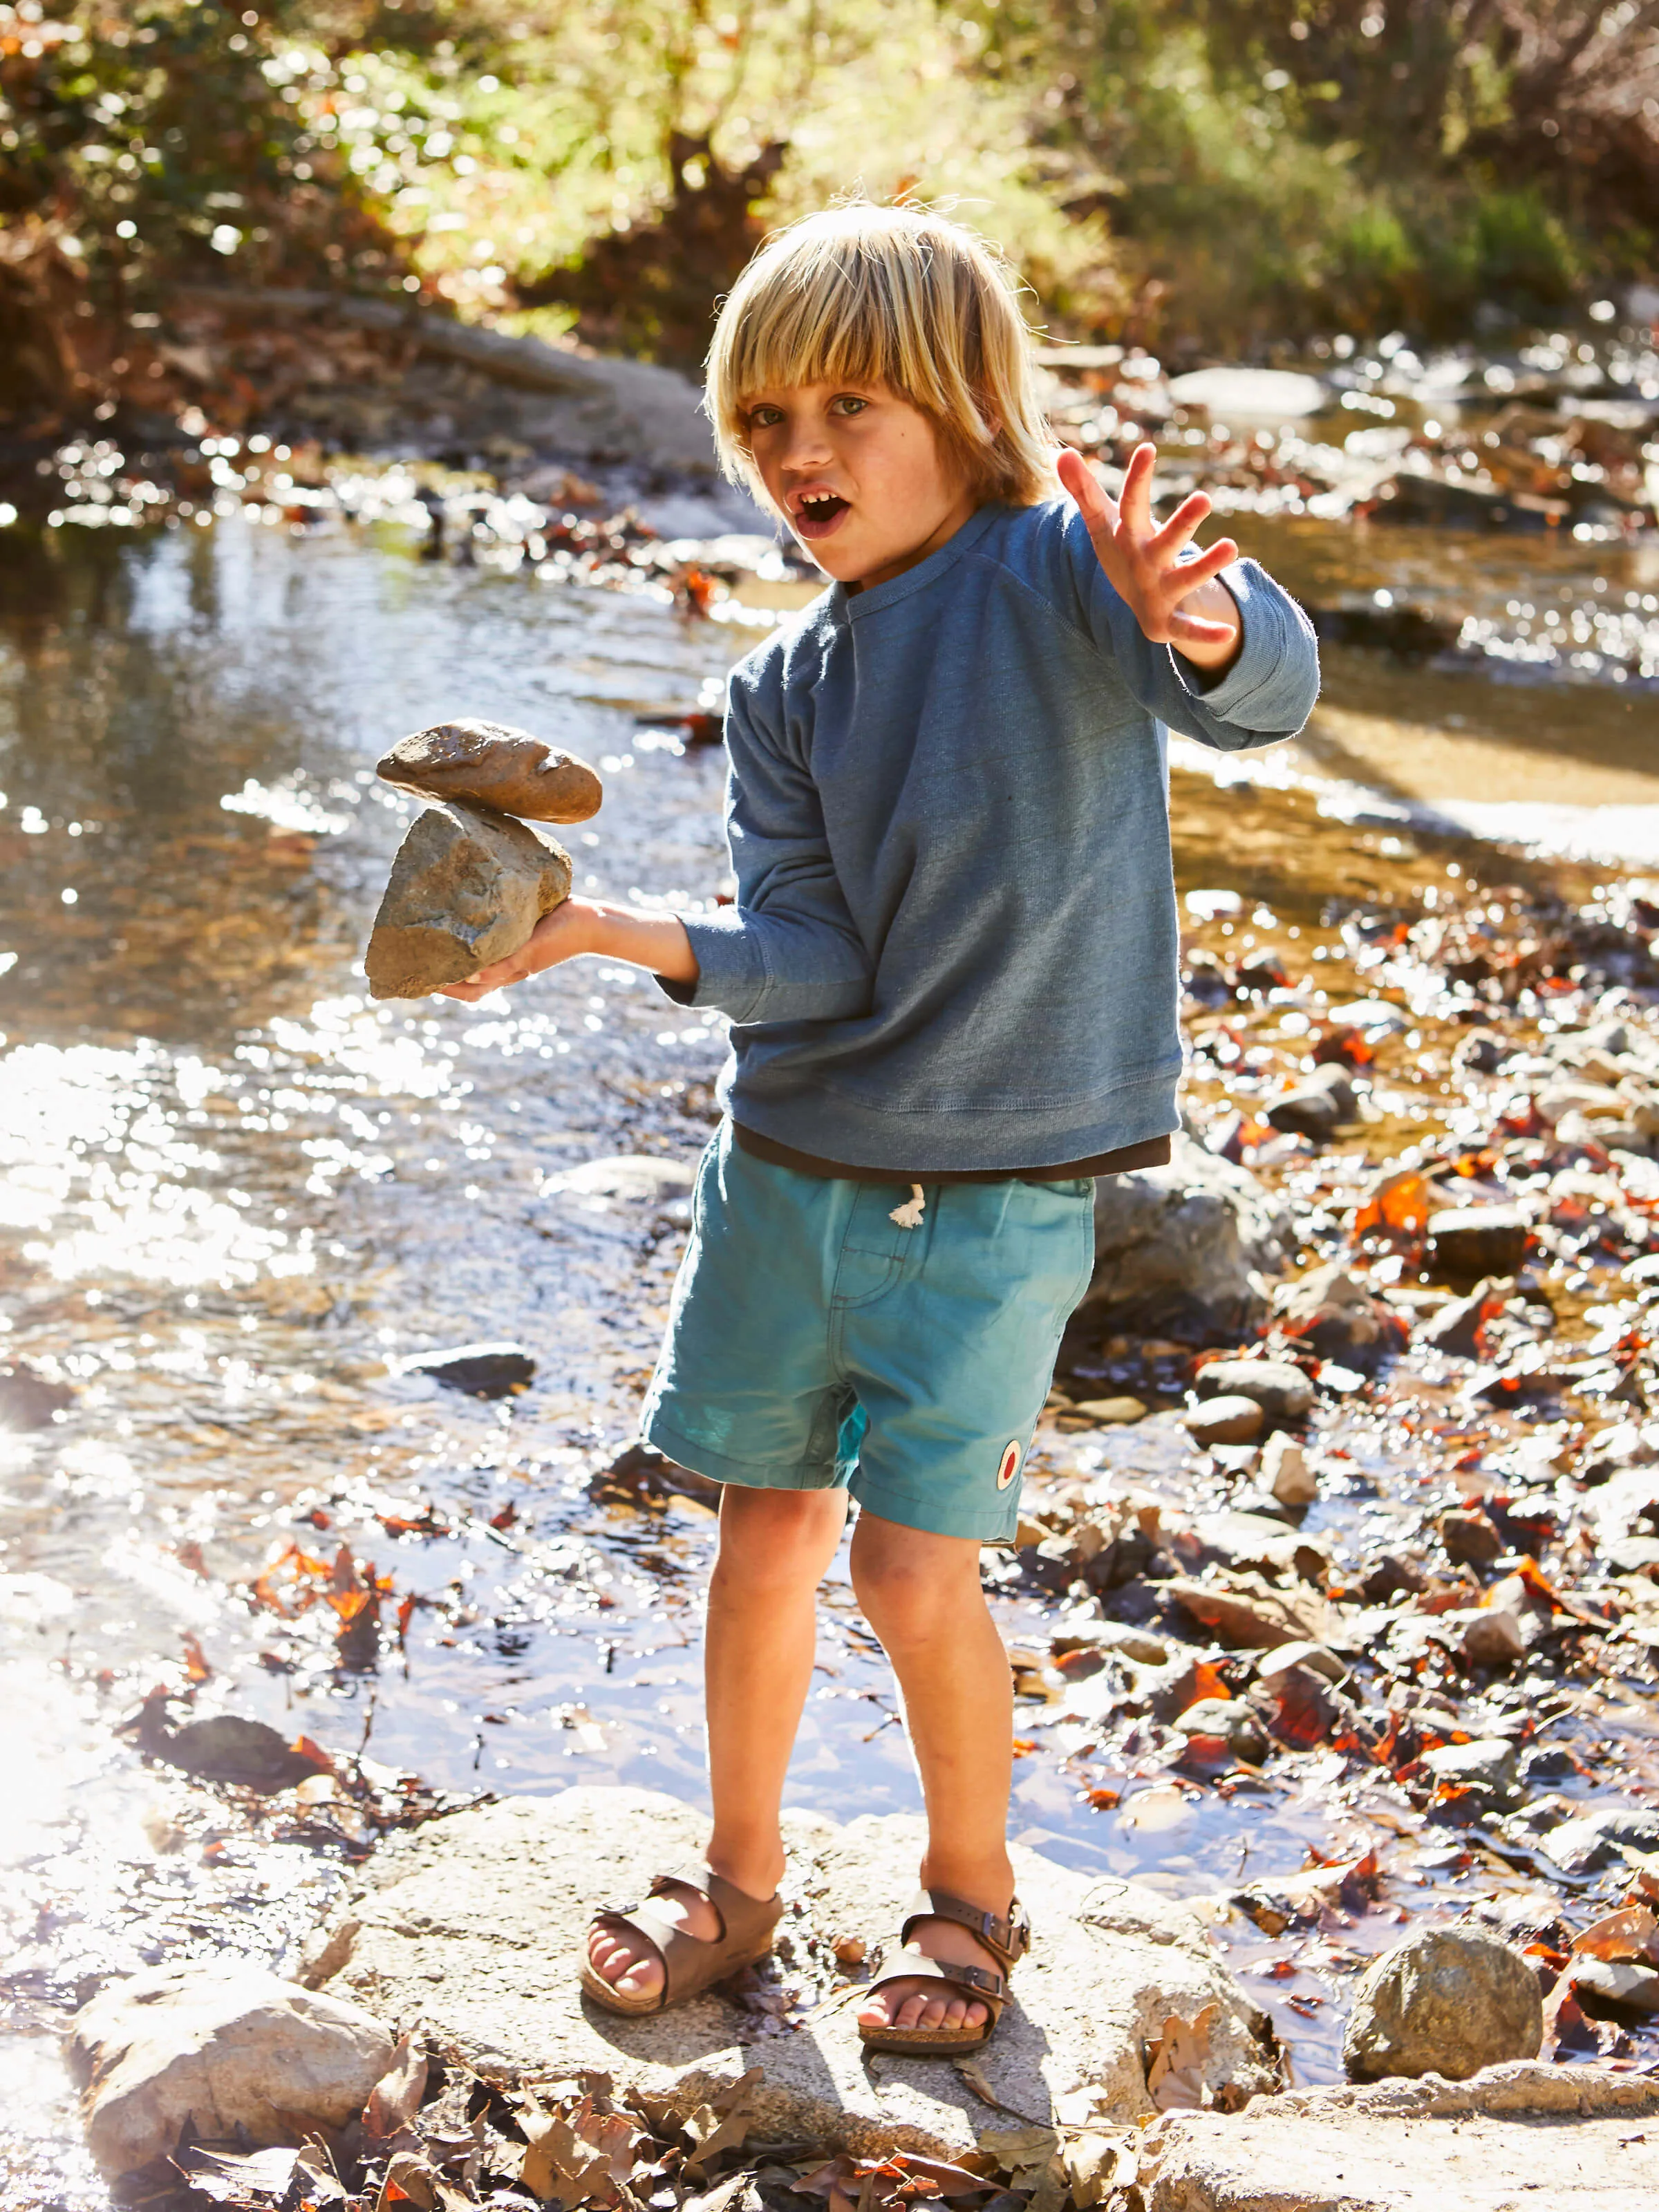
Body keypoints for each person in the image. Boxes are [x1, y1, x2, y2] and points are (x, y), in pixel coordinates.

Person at [439, 200, 1319, 2055]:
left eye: (849, 403)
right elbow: (815, 956)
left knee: (914, 1564)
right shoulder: (781, 690)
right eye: (765, 420)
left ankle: (971, 1901)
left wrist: (1209, 612)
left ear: (968, 407)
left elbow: (1268, 700)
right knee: (762, 1539)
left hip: (998, 1202)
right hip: (792, 1180)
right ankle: (742, 1880)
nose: (799, 450)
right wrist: (605, 928)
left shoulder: (1068, 577)